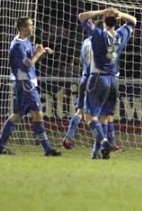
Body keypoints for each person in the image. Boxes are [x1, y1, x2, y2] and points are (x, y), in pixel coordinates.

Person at [78, 8, 136, 159]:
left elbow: (82, 17)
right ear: (116, 22)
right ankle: (98, 153)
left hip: (98, 78)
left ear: (104, 21)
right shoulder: (121, 35)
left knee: (89, 117)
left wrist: (103, 11)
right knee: (104, 117)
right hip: (113, 81)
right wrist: (120, 14)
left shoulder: (98, 34)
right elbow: (133, 21)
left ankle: (104, 142)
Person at [0, 17, 61, 156]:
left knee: (16, 115)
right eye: (30, 25)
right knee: (38, 114)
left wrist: (42, 50)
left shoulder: (25, 42)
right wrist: (38, 54)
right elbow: (26, 65)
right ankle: (48, 149)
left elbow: (30, 56)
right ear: (22, 28)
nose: (32, 27)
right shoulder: (17, 46)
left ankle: (0, 145)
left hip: (25, 83)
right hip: (25, 83)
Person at [62, 36, 92, 149]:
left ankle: (68, 137)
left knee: (80, 111)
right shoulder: (99, 41)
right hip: (94, 79)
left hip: (84, 78)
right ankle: (104, 142)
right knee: (97, 114)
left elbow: (82, 60)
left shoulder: (85, 42)